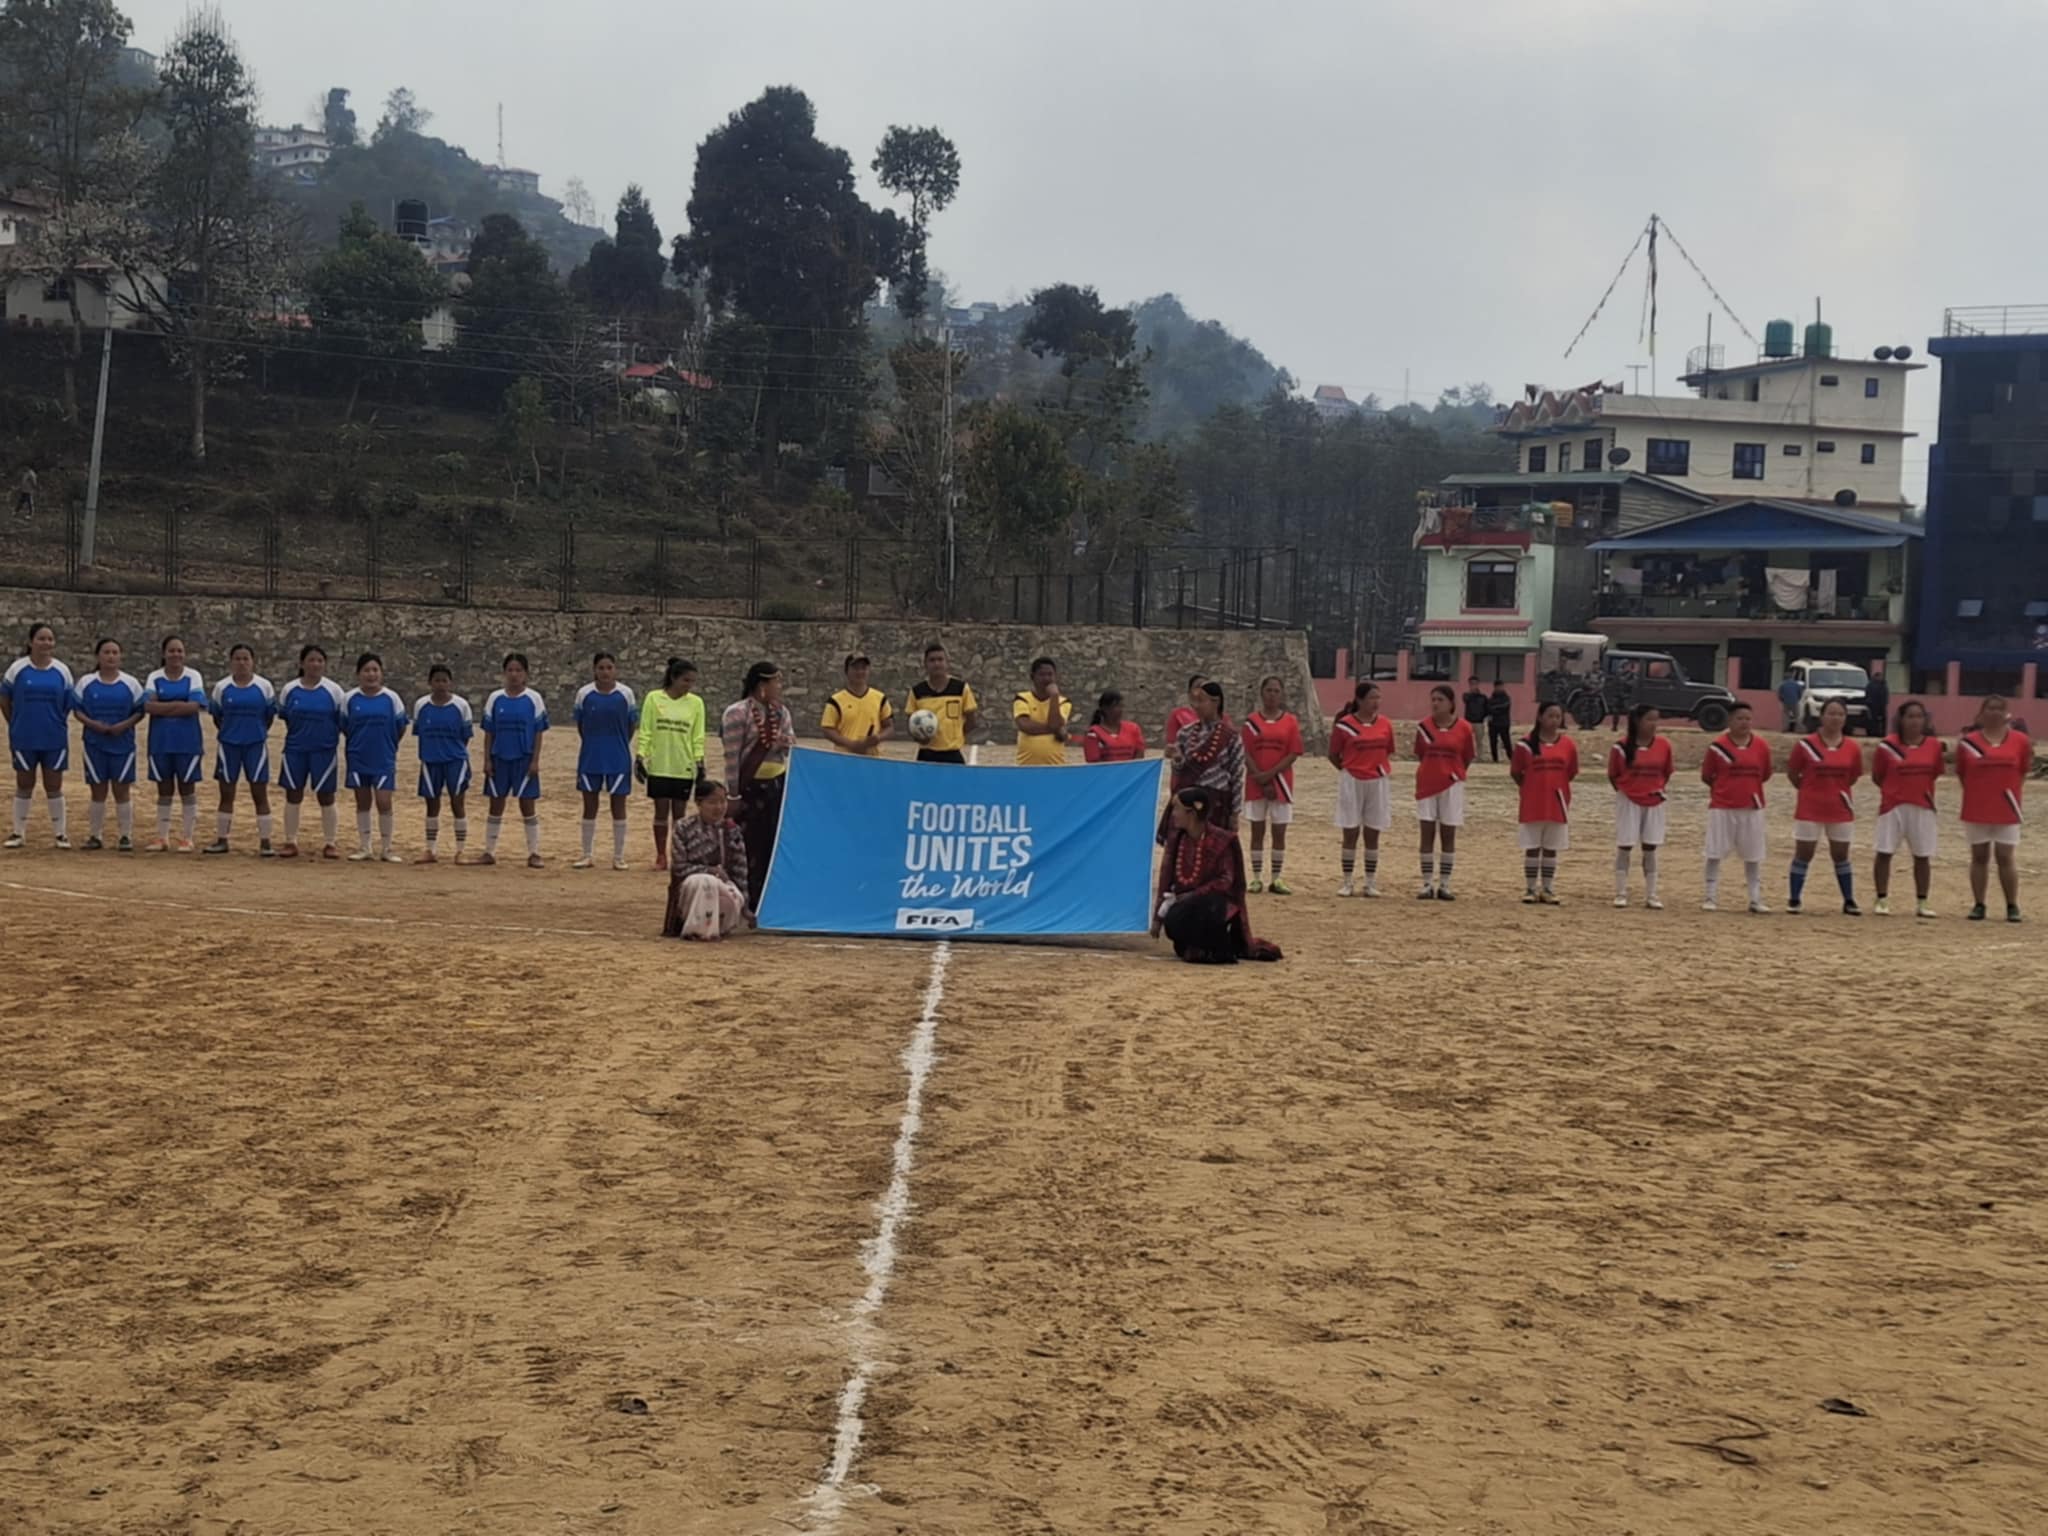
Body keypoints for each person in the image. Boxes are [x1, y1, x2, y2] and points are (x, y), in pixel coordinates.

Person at [1151, 785, 1281, 965]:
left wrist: (1193, 895)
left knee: (1207, 909)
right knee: (1173, 921)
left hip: (1214, 904)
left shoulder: (1221, 840)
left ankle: (1216, 946)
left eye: (1177, 809)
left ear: (1191, 814)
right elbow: (1165, 878)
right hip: (1187, 905)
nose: (1173, 814)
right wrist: (1158, 918)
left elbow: (1225, 881)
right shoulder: (1178, 840)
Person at [722, 660, 794, 914]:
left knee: (772, 843)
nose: (779, 686)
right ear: (762, 684)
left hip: (776, 785)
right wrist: (733, 793)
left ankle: (767, 898)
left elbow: (790, 744)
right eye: (776, 681)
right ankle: (746, 898)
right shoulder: (737, 713)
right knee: (747, 844)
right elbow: (732, 757)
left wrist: (783, 742)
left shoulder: (781, 713)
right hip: (750, 787)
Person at [1956, 693, 2030, 923]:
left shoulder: (2020, 741)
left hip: (2007, 807)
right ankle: (1979, 904)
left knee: (2005, 857)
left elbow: (2023, 771)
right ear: (1981, 713)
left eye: (2000, 708)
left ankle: (2012, 905)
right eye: (1990, 708)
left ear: (2007, 713)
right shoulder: (1968, 742)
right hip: (1976, 807)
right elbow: (1962, 773)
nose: (1995, 712)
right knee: (1979, 856)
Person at [1786, 697, 1864, 916]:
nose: (1835, 718)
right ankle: (1794, 898)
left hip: (1840, 807)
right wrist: (1808, 789)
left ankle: (1848, 900)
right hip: (1810, 806)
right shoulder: (1805, 745)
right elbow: (1793, 773)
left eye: (1840, 714)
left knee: (1841, 854)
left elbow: (1854, 775)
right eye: (1831, 713)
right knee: (1804, 852)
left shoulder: (1852, 747)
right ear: (1822, 716)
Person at [2, 622, 74, 850]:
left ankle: (60, 834)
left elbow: (67, 703)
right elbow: (4, 699)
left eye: (50, 639)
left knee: (54, 785)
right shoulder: (17, 669)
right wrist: (15, 722)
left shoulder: (62, 671)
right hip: (25, 737)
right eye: (41, 638)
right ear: (30, 642)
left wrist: (56, 722)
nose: (46, 643)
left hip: (53, 737)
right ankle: (18, 832)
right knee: (24, 784)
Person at [1871, 700, 1943, 919]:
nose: (1915, 721)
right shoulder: (1887, 746)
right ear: (1901, 719)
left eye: (1919, 716)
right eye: (1910, 716)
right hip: (1892, 805)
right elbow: (1878, 776)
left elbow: (1935, 772)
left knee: (1922, 855)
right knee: (1884, 852)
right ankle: (1882, 899)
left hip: (1923, 805)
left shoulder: (1934, 746)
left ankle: (1922, 901)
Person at [203, 644, 277, 857]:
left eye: (246, 658)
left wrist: (256, 732)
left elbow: (269, 716)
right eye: (237, 658)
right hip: (229, 746)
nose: (242, 663)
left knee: (259, 793)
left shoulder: (264, 686)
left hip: (255, 746)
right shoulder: (222, 687)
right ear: (231, 662)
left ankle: (265, 842)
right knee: (226, 793)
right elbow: (217, 716)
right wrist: (230, 733)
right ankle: (222, 839)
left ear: (253, 662)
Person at [1701, 700, 1773, 914]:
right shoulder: (1717, 746)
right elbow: (1707, 775)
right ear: (1730, 720)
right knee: (1714, 851)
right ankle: (1710, 896)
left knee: (1753, 854)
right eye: (1740, 718)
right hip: (1723, 805)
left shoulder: (1761, 746)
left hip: (1752, 805)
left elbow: (1765, 773)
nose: (1744, 723)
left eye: (1748, 719)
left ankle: (1755, 899)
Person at [73, 637, 144, 851]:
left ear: (120, 656)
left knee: (122, 790)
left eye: (115, 652)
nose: (111, 656)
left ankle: (125, 836)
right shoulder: (86, 682)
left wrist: (123, 726)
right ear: (98, 656)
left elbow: (140, 711)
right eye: (106, 652)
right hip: (95, 744)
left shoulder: (131, 683)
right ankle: (95, 836)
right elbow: (77, 710)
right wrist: (93, 725)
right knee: (98, 791)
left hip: (122, 744)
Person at [275, 645, 346, 859]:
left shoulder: (334, 691)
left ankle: (330, 842)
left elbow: (341, 720)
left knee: (326, 795)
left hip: (324, 751)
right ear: (302, 663)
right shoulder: (290, 689)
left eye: (319, 661)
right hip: (295, 750)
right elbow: (286, 717)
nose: (315, 664)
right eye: (311, 660)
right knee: (293, 793)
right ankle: (291, 841)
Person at [637, 657, 705, 871]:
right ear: (674, 678)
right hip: (659, 765)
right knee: (660, 812)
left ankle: (678, 855)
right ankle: (660, 855)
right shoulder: (654, 698)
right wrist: (640, 756)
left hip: (683, 766)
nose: (689, 685)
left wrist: (699, 761)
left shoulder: (696, 703)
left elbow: (697, 735)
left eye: (692, 681)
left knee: (679, 815)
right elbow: (646, 729)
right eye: (686, 680)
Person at [481, 652, 548, 869]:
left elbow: (538, 732)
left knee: (527, 805)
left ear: (525, 674)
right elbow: (489, 732)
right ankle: (489, 852)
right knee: (496, 804)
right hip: (500, 758)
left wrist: (535, 760)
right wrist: (487, 759)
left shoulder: (534, 699)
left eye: (518, 670)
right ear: (504, 673)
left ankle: (534, 852)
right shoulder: (495, 698)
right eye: (510, 670)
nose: (514, 674)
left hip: (524, 758)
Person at [1329, 680, 1395, 897]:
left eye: (1378, 697)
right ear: (1359, 700)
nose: (1375, 702)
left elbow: (1388, 750)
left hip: (1377, 780)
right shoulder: (1344, 725)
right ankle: (1347, 882)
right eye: (1371, 698)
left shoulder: (1385, 724)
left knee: (1373, 832)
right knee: (1350, 831)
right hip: (1352, 781)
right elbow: (1333, 754)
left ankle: (1370, 882)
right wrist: (1349, 769)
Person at [661, 780, 750, 941]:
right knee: (705, 882)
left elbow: (740, 868)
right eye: (712, 802)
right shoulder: (683, 827)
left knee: (727, 893)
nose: (719, 807)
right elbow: (679, 867)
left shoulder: (732, 830)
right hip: (690, 889)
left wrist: (745, 905)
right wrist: (709, 871)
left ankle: (714, 926)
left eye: (722, 802)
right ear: (699, 803)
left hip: (723, 888)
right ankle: (699, 931)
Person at [574, 651, 638, 871]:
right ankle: (586, 854)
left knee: (618, 806)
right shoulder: (584, 694)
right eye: (601, 668)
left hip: (618, 757)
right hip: (590, 756)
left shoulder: (626, 694)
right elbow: (581, 725)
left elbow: (631, 725)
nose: (605, 672)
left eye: (609, 667)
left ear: (615, 669)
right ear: (594, 670)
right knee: (589, 805)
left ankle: (618, 856)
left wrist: (618, 743)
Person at [341, 652, 408, 863]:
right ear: (358, 674)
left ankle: (387, 848)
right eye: (366, 670)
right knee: (362, 802)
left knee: (384, 801)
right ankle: (365, 847)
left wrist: (389, 745)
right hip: (358, 757)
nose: (371, 675)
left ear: (381, 673)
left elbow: (401, 727)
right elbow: (344, 726)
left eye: (375, 670)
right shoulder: (349, 698)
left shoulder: (392, 698)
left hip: (383, 758)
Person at [1511, 700, 1579, 904]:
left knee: (1551, 847)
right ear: (1540, 717)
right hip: (1533, 802)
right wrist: (1530, 787)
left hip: (1557, 802)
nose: (1554, 720)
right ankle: (1531, 888)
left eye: (1558, 716)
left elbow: (1571, 771)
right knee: (1532, 846)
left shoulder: (1568, 745)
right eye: (1550, 716)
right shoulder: (1525, 745)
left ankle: (1548, 889)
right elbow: (1516, 772)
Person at [142, 635, 205, 853]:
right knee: (164, 789)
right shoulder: (154, 676)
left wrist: (164, 707)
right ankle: (162, 837)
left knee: (187, 788)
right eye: (171, 650)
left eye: (179, 650)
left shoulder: (193, 676)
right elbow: (148, 706)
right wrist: (179, 705)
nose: (176, 654)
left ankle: (187, 837)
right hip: (161, 741)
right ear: (164, 653)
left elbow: (194, 706)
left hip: (188, 741)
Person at [1414, 683, 1477, 900]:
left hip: (1452, 785)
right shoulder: (1423, 727)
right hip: (1427, 784)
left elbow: (1467, 756)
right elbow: (1421, 754)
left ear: (1451, 703)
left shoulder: (1464, 728)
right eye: (1433, 699)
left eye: (1440, 700)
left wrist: (1454, 773)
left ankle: (1445, 884)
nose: (1435, 704)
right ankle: (1427, 883)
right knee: (1427, 833)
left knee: (1448, 833)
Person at [1241, 675, 1304, 894]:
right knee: (1257, 830)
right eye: (1269, 690)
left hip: (1281, 783)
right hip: (1255, 782)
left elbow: (1293, 752)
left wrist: (1270, 775)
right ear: (1261, 693)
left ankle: (1276, 878)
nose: (1272, 695)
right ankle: (1256, 877)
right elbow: (1246, 752)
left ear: (1282, 694)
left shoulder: (1290, 721)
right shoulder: (1251, 722)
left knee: (1279, 831)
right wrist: (1259, 776)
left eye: (1276, 691)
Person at [1607, 703, 1673, 909]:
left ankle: (1651, 894)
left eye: (1656, 720)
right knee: (1625, 844)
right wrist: (1629, 790)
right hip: (1628, 799)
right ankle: (1621, 893)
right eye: (1649, 719)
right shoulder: (1621, 747)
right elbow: (1613, 775)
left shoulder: (1664, 745)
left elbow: (1667, 772)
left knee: (1650, 846)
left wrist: (1654, 788)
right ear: (1637, 721)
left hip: (1654, 800)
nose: (1654, 724)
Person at [1163, 681, 1244, 840]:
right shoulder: (1185, 733)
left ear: (1216, 702)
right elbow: (1179, 772)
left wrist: (1235, 813)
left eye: (1201, 701)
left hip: (1217, 804)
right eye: (1195, 701)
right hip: (1188, 804)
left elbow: (1237, 777)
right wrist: (1177, 759)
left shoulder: (1232, 737)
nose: (1197, 706)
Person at [412, 664, 475, 864]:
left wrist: (452, 752)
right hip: (430, 761)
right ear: (430, 683)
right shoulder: (421, 705)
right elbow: (419, 732)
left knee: (457, 803)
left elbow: (465, 736)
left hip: (455, 761)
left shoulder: (461, 706)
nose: (440, 684)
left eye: (444, 681)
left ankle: (460, 850)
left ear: (450, 683)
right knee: (432, 804)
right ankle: (430, 849)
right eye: (437, 680)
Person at [907, 643, 978, 764]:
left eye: (940, 659)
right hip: (926, 754)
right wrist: (919, 737)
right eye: (932, 660)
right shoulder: (917, 691)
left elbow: (971, 721)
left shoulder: (961, 688)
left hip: (953, 754)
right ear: (925, 664)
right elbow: (911, 722)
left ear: (947, 663)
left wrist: (955, 736)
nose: (937, 664)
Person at [821, 653, 893, 755]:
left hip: (872, 758)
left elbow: (889, 727)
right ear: (846, 671)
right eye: (855, 668)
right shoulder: (835, 701)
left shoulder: (880, 698)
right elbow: (827, 729)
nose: (860, 672)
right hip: (844, 757)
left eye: (863, 668)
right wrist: (851, 745)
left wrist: (878, 738)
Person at [1013, 656, 1073, 766]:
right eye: (1042, 675)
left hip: (1055, 766)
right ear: (1032, 677)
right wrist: (1056, 730)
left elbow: (1055, 724)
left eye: (1050, 674)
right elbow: (1025, 726)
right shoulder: (1022, 698)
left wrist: (1054, 696)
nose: (1046, 679)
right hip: (1026, 766)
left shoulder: (1063, 702)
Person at [1082, 691, 1146, 762]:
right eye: (1116, 706)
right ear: (1105, 708)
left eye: (1122, 706)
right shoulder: (1093, 733)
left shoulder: (1133, 728)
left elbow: (1139, 754)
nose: (1120, 709)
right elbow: (1094, 762)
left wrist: (1129, 767)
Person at [1164, 676, 1207, 762]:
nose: (1201, 691)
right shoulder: (1178, 715)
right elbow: (1170, 749)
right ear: (1189, 693)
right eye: (1197, 687)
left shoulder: (1221, 718)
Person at [1486, 681, 1513, 763]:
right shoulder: (1491, 698)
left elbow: (1504, 707)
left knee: (1506, 741)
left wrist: (1494, 708)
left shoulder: (1506, 698)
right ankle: (1495, 759)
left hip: (1504, 723)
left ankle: (1512, 758)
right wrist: (1496, 709)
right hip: (1493, 724)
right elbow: (1488, 709)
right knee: (1493, 742)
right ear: (1494, 687)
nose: (1499, 688)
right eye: (1497, 687)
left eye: (1500, 686)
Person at [1862, 661, 1890, 740]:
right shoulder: (1871, 685)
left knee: (1881, 720)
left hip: (1880, 705)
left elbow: (1885, 695)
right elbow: (1868, 694)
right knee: (1872, 720)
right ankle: (1873, 733)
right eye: (1879, 676)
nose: (1880, 678)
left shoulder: (1883, 685)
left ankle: (1880, 733)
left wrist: (1885, 703)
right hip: (1873, 705)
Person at [1461, 676, 1489, 742]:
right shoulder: (1466, 695)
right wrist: (1472, 692)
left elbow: (1487, 708)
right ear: (1469, 684)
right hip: (1468, 722)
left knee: (1479, 742)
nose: (1473, 685)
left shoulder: (1483, 697)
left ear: (1478, 684)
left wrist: (1482, 716)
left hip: (1479, 723)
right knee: (1467, 741)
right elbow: (1466, 700)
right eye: (1471, 683)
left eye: (1475, 683)